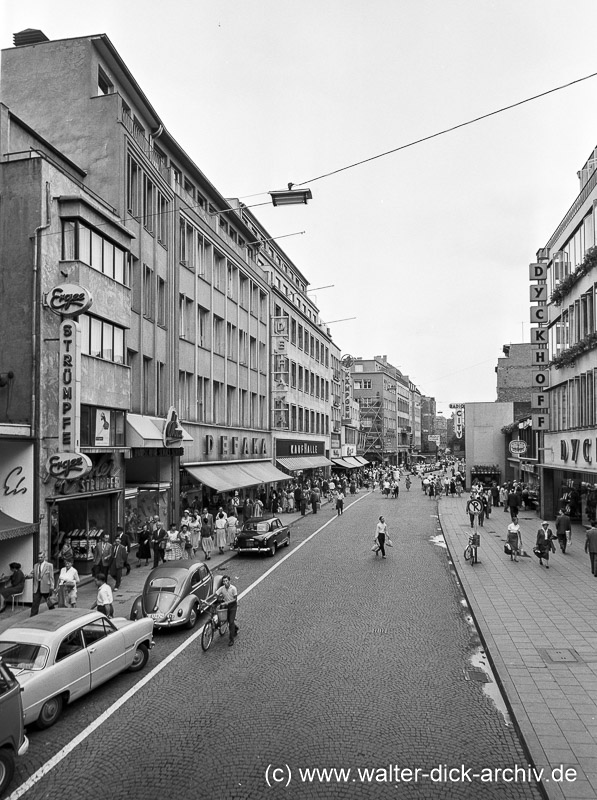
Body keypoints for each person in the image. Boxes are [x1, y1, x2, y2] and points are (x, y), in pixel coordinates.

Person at [30, 551, 55, 616]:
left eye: (41, 557)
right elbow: (33, 574)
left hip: (45, 586)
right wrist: (28, 576)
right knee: (35, 602)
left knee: (49, 601)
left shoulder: (49, 565)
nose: (40, 558)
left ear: (44, 557)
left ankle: (53, 612)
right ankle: (33, 615)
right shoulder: (36, 565)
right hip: (37, 586)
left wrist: (52, 586)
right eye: (39, 557)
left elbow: (51, 577)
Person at [216, 575, 239, 646]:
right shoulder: (222, 589)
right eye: (224, 581)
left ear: (229, 581)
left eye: (226, 581)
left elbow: (235, 599)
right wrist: (218, 599)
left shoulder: (233, 588)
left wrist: (227, 602)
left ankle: (231, 639)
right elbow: (216, 594)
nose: (225, 582)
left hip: (232, 606)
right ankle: (235, 628)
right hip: (226, 607)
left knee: (231, 622)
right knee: (229, 620)